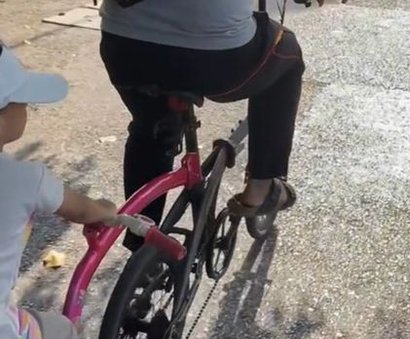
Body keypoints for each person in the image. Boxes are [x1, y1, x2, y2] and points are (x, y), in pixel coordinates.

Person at [99, 0, 307, 251]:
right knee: (288, 58)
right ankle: (261, 188)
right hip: (216, 59)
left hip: (123, 47)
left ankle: (139, 237)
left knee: (152, 123)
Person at [0, 45, 118, 339]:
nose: (25, 110)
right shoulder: (25, 179)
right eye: (21, 102)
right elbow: (87, 210)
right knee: (63, 337)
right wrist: (106, 210)